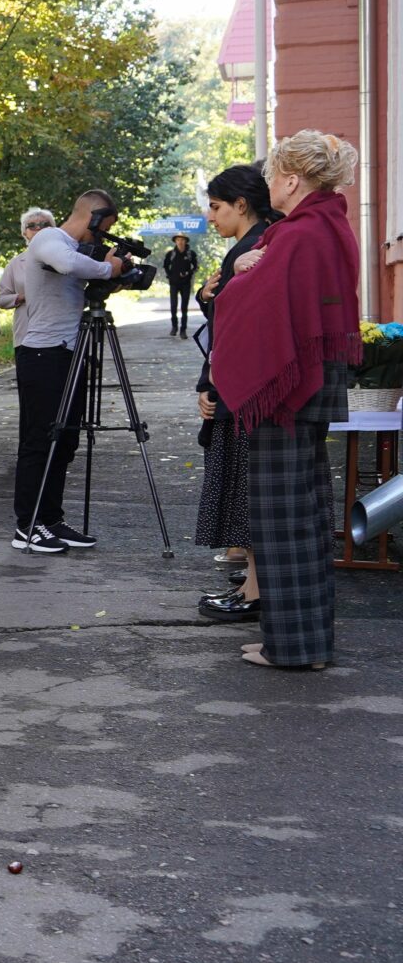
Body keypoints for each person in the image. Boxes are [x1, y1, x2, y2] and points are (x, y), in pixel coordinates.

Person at [212, 130, 363, 671]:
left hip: (289, 390)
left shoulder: (299, 233)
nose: (269, 184)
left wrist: (236, 276)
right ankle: (305, 644)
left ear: (293, 180)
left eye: (273, 175)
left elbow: (257, 307)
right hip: (314, 381)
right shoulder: (330, 224)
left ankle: (292, 648)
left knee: (283, 520)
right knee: (306, 515)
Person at [9, 190, 132, 553]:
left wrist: (115, 274)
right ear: (93, 218)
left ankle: (50, 519)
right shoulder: (50, 238)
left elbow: (84, 275)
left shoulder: (77, 250)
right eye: (104, 228)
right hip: (41, 354)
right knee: (40, 441)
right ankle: (27, 526)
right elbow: (66, 265)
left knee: (65, 441)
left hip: (68, 354)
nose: (103, 236)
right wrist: (108, 267)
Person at [188, 164, 277, 628]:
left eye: (216, 206)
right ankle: (250, 586)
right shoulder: (249, 246)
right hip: (237, 386)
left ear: (241, 205)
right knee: (243, 489)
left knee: (246, 491)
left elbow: (237, 329)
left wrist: (211, 385)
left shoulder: (256, 246)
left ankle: (255, 591)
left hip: (242, 390)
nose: (210, 216)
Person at [163, 233, 200, 338]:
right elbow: (165, 266)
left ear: (186, 241)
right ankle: (174, 327)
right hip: (174, 283)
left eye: (182, 240)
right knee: (173, 306)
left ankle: (183, 330)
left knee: (184, 307)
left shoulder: (190, 254)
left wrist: (188, 273)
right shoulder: (171, 254)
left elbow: (196, 267)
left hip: (186, 284)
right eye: (178, 240)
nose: (180, 242)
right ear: (175, 241)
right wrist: (170, 276)